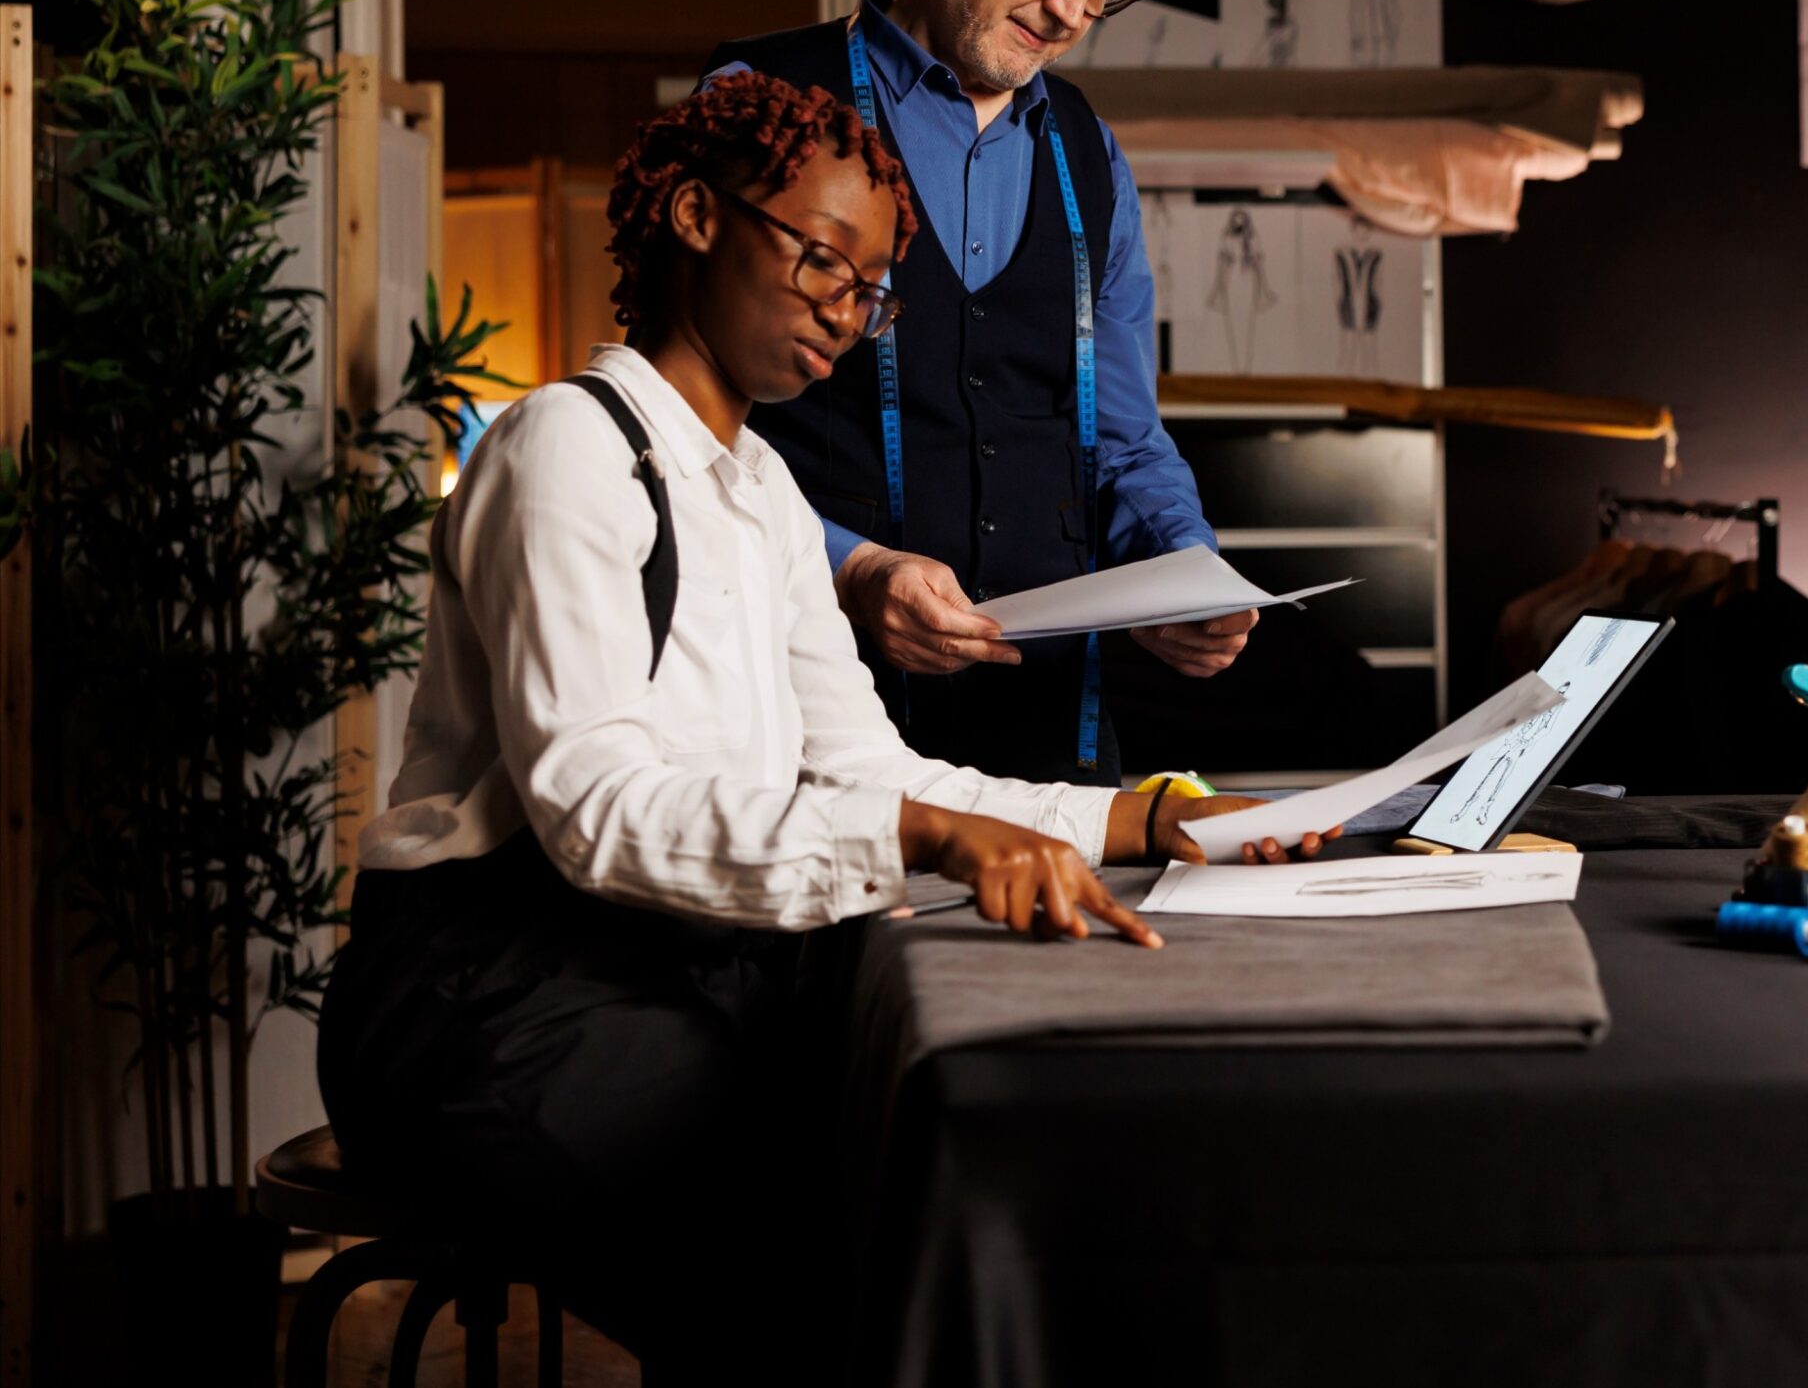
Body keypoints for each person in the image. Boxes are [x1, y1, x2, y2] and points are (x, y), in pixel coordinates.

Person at [318, 72, 1328, 1379]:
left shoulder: (764, 493)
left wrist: (1151, 814)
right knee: (826, 1258)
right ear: (692, 214)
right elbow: (599, 812)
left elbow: (873, 769)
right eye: (817, 260)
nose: (841, 315)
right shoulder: (562, 446)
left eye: (868, 290)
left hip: (670, 971)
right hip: (490, 1001)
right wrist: (937, 838)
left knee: (925, 1174)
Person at [700, 0, 1249, 788]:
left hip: (1054, 764)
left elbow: (1124, 437)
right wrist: (848, 571)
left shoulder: (1094, 155)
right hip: (807, 754)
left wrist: (1186, 569)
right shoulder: (759, 104)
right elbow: (679, 430)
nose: (1075, 10)